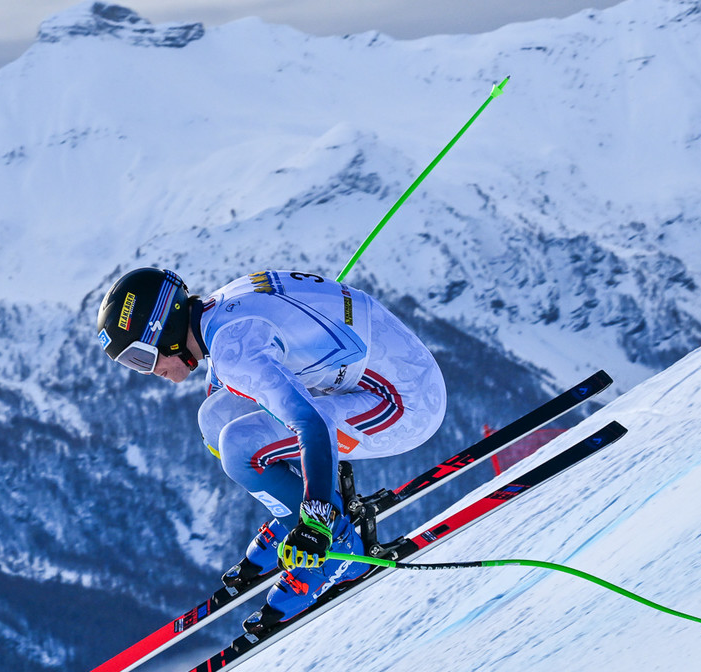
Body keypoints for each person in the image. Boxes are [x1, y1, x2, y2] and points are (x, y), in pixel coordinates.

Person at [96, 266, 447, 633]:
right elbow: (240, 377)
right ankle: (290, 511)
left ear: (164, 330)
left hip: (404, 405)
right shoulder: (220, 311)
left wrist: (317, 523)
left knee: (238, 446)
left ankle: (339, 550)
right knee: (215, 422)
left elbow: (314, 425)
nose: (149, 372)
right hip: (378, 370)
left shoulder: (233, 353)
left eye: (141, 359)